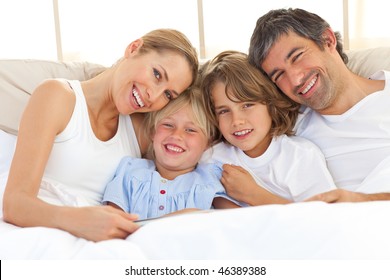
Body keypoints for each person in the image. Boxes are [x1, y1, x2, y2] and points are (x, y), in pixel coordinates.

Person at [2, 28, 199, 241]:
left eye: (168, 94)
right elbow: (15, 204)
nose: (154, 95)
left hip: (98, 245)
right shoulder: (58, 96)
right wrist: (78, 220)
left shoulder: (143, 130)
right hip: (36, 233)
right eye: (157, 74)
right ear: (134, 48)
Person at [248, 8, 390, 203]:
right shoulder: (288, 128)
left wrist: (363, 201)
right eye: (279, 75)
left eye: (297, 56)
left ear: (328, 40)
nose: (295, 79)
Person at [199, 50, 336, 205]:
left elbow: (323, 218)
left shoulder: (299, 156)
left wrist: (254, 195)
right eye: (224, 111)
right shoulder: (212, 158)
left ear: (270, 104)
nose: (236, 121)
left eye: (247, 105)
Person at [102, 88, 239, 219]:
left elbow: (240, 221)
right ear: (152, 132)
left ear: (208, 143)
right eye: (168, 125)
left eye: (190, 130)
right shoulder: (131, 171)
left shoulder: (209, 180)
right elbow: (113, 224)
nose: (177, 135)